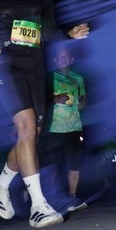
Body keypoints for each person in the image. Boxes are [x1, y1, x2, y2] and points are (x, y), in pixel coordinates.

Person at [0, 0, 89, 228]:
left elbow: (50, 31)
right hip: (6, 66)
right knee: (26, 127)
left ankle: (0, 183)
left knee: (31, 137)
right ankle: (39, 207)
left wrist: (71, 32)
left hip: (36, 69)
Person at [43, 44, 88, 212]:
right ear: (56, 60)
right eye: (61, 57)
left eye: (67, 56)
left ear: (71, 59)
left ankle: (72, 198)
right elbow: (42, 98)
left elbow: (83, 100)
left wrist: (82, 102)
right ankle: (55, 198)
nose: (64, 59)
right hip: (54, 128)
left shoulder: (78, 79)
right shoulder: (49, 78)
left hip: (74, 127)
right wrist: (56, 98)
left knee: (74, 164)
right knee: (55, 165)